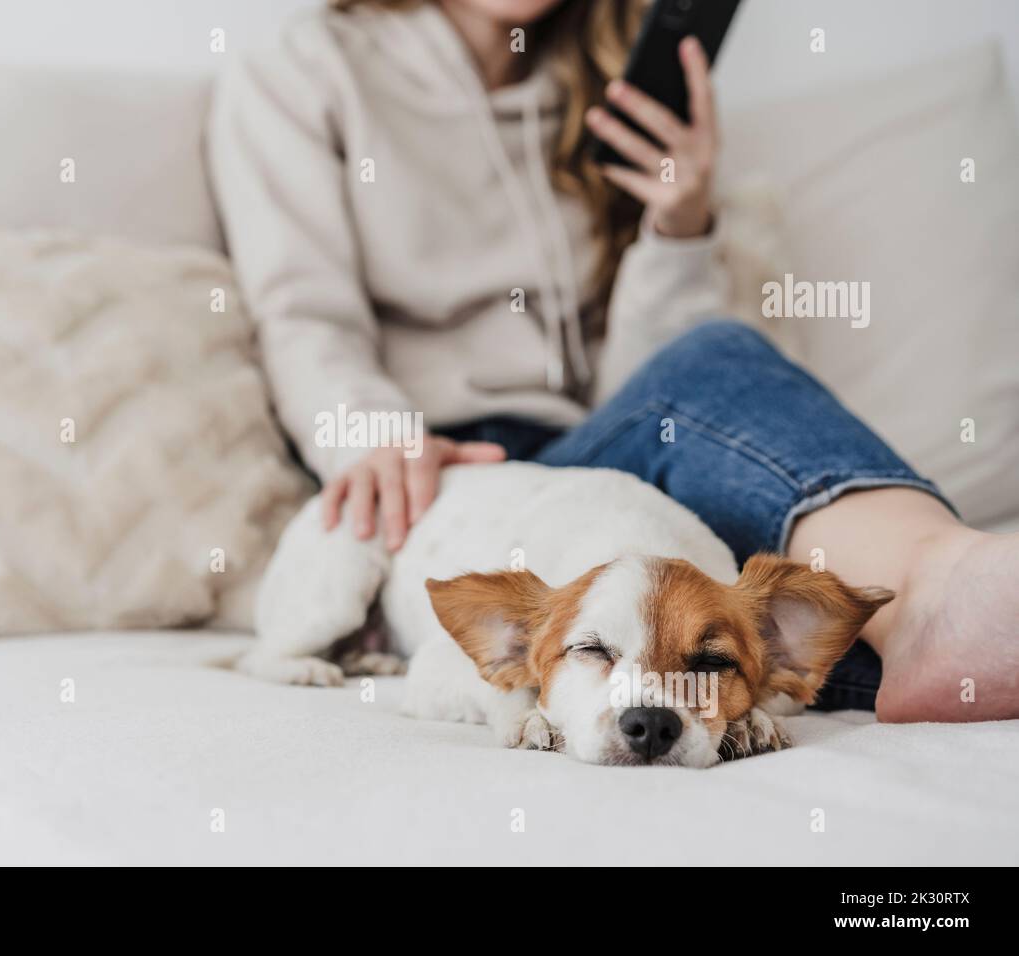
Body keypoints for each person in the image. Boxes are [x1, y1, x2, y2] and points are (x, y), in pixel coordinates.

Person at [208, 0, 1018, 722]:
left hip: (597, 449)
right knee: (720, 363)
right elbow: (301, 315)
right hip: (445, 476)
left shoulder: (609, 81)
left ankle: (938, 621)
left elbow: (647, 380)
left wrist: (677, 229)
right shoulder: (305, 70)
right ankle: (935, 598)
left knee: (734, 625)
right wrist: (376, 435)